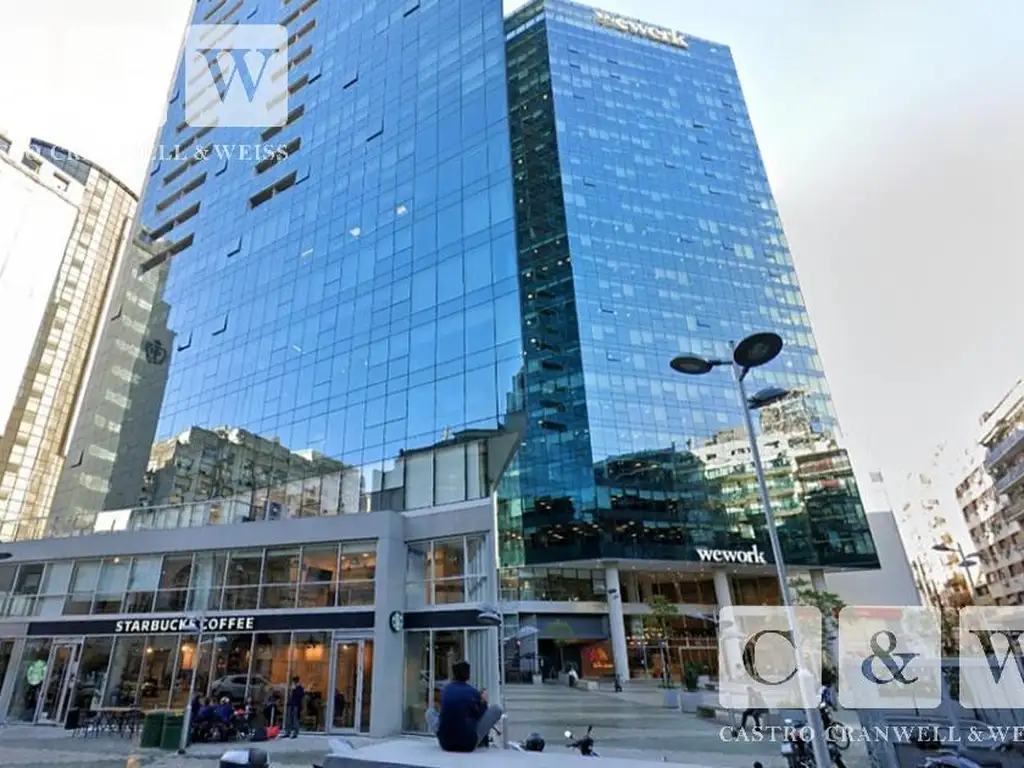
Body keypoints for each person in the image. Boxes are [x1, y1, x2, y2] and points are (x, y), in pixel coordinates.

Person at [436, 660, 503, 752]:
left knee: (430, 712)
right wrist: (484, 701)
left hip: (445, 744)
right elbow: (481, 715)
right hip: (467, 744)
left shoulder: (446, 690)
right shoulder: (473, 692)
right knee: (496, 709)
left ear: (453, 675)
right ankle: (479, 742)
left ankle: (444, 735)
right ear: (468, 675)